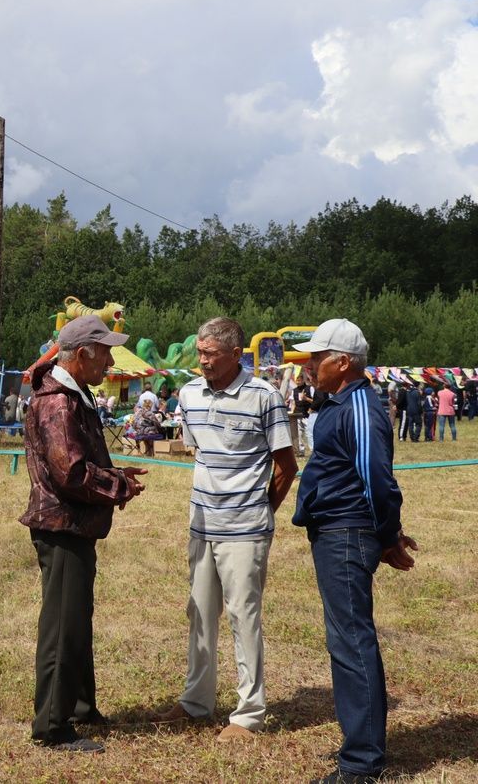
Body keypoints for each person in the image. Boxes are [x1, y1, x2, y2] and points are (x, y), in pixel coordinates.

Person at [153, 317, 297, 742]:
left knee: (243, 617)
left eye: (211, 354)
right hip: (201, 525)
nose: (202, 361)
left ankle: (249, 714)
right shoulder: (189, 394)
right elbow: (199, 450)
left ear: (236, 355)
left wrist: (260, 512)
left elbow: (286, 467)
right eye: (200, 353)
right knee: (199, 613)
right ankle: (196, 703)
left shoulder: (264, 396)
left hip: (246, 529)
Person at [292, 319, 418, 783]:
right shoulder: (340, 402)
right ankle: (361, 748)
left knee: (351, 641)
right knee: (345, 638)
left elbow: (379, 481)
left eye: (315, 358)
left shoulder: (360, 407)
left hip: (347, 534)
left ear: (342, 363)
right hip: (336, 532)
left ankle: (362, 763)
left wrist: (387, 538)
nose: (307, 366)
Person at [20, 315, 146, 754]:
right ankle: (52, 727)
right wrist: (119, 485)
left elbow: (76, 462)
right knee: (62, 626)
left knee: (75, 621)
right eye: (106, 351)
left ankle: (78, 706)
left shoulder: (73, 394)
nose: (110, 361)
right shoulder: (58, 403)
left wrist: (112, 473)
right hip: (63, 525)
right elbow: (70, 473)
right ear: (83, 353)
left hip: (72, 525)